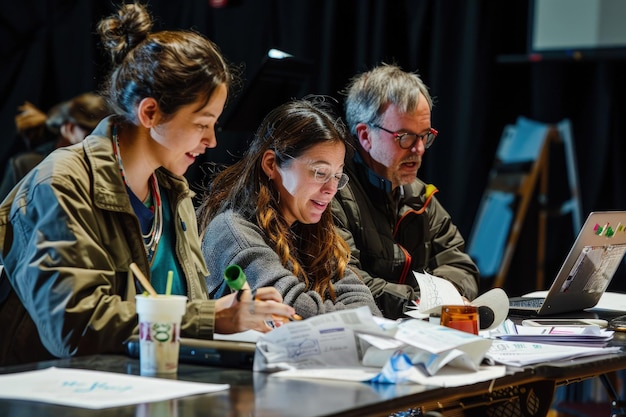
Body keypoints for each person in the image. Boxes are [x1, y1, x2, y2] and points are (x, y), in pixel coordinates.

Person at [0, 1, 294, 366]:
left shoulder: (173, 193)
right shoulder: (61, 183)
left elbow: (178, 307)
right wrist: (211, 317)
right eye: (202, 124)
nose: (212, 141)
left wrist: (235, 312)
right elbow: (72, 327)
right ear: (150, 113)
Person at [197, 97, 382, 319]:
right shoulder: (233, 231)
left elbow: (367, 308)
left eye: (337, 176)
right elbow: (290, 309)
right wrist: (355, 319)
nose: (331, 189)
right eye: (320, 173)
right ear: (270, 164)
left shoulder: (312, 229)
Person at [331, 64, 480, 319]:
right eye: (405, 137)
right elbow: (346, 281)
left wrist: (443, 297)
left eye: (425, 136)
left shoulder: (420, 195)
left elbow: (459, 266)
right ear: (365, 136)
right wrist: (423, 303)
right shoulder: (331, 193)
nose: (419, 149)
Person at [0, 92, 111, 201]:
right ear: (69, 128)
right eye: (91, 131)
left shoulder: (104, 166)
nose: (99, 137)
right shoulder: (26, 165)